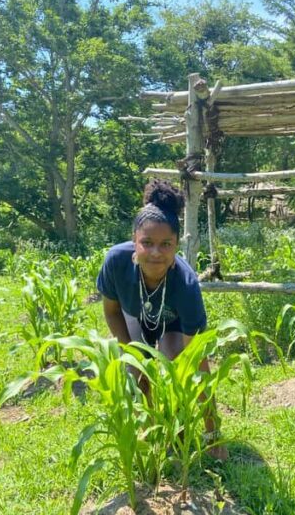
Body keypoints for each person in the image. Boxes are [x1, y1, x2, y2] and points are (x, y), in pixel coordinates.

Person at [96, 179, 226, 460]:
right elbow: (112, 311)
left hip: (173, 324)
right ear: (134, 241)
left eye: (166, 244)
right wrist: (132, 354)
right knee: (137, 373)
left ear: (177, 245)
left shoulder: (186, 284)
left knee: (176, 369)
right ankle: (154, 429)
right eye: (147, 243)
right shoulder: (116, 262)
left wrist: (213, 434)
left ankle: (179, 431)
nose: (156, 252)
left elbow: (198, 364)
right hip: (135, 316)